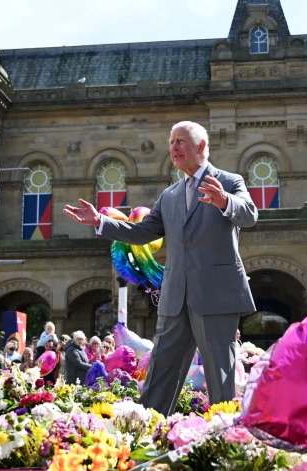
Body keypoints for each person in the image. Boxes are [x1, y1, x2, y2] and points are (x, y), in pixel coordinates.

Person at [64, 121, 258, 415]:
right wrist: (101, 222)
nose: (174, 147)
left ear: (201, 146)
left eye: (181, 140)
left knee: (220, 371)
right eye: (171, 142)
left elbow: (249, 215)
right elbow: (143, 232)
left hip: (216, 293)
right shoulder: (170, 195)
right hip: (175, 295)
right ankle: (148, 430)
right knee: (160, 371)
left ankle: (226, 435)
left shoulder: (229, 181)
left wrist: (224, 201)